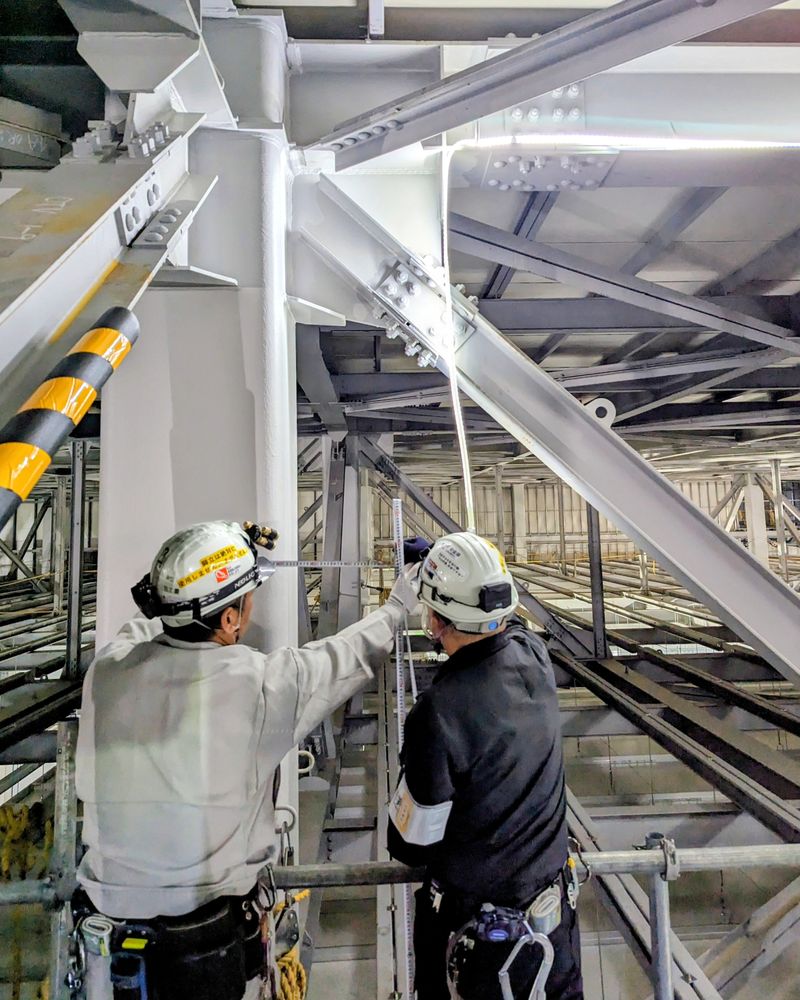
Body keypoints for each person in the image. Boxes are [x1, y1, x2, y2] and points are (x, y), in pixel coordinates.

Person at [74, 519, 420, 1000]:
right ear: (230, 621)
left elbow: (152, 621)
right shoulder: (260, 686)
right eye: (247, 599)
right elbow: (352, 655)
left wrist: (219, 553)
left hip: (107, 954)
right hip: (207, 954)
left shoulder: (108, 672)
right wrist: (400, 604)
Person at [387, 531, 583, 1000]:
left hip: (477, 955)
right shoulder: (534, 656)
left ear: (435, 620)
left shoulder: (439, 713)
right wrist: (447, 563)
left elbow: (410, 844)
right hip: (552, 937)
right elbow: (498, 615)